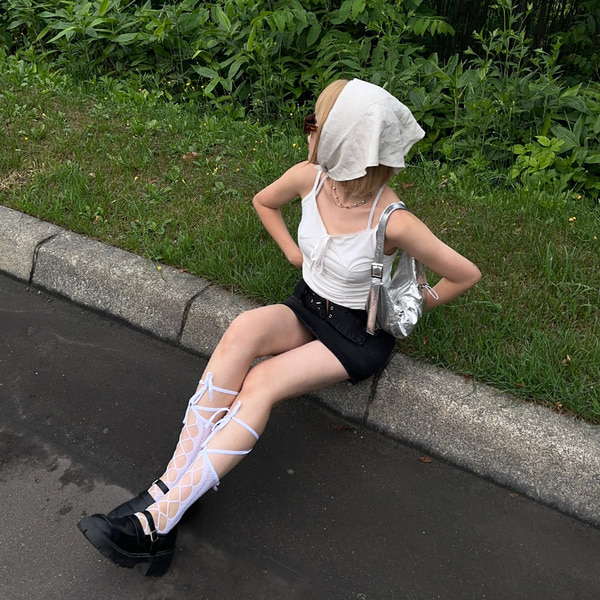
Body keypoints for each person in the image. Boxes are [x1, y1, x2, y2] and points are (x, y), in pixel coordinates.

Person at [77, 78, 481, 576]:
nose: (308, 132)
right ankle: (171, 489)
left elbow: (465, 274)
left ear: (345, 142)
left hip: (356, 335)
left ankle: (160, 519)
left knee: (262, 381)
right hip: (308, 305)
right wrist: (293, 253)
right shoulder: (311, 178)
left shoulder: (392, 219)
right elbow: (263, 202)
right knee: (243, 329)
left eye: (315, 124)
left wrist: (409, 307)